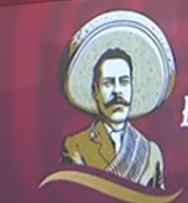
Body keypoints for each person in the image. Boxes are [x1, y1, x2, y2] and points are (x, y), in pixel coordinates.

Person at [61, 48, 165, 189]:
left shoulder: (151, 153)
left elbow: (159, 201)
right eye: (108, 83)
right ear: (95, 91)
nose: (117, 91)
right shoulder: (76, 147)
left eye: (124, 82)